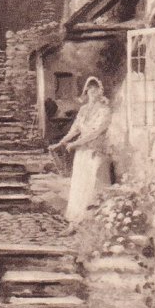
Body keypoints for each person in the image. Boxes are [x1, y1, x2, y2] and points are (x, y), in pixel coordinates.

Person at [49, 76, 111, 222]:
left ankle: (92, 223)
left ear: (101, 91)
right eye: (90, 89)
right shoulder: (83, 110)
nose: (93, 92)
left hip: (96, 153)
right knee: (79, 187)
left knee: (92, 187)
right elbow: (74, 129)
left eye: (96, 89)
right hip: (82, 154)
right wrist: (61, 143)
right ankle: (75, 222)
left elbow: (94, 132)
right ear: (86, 91)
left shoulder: (105, 110)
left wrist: (76, 144)